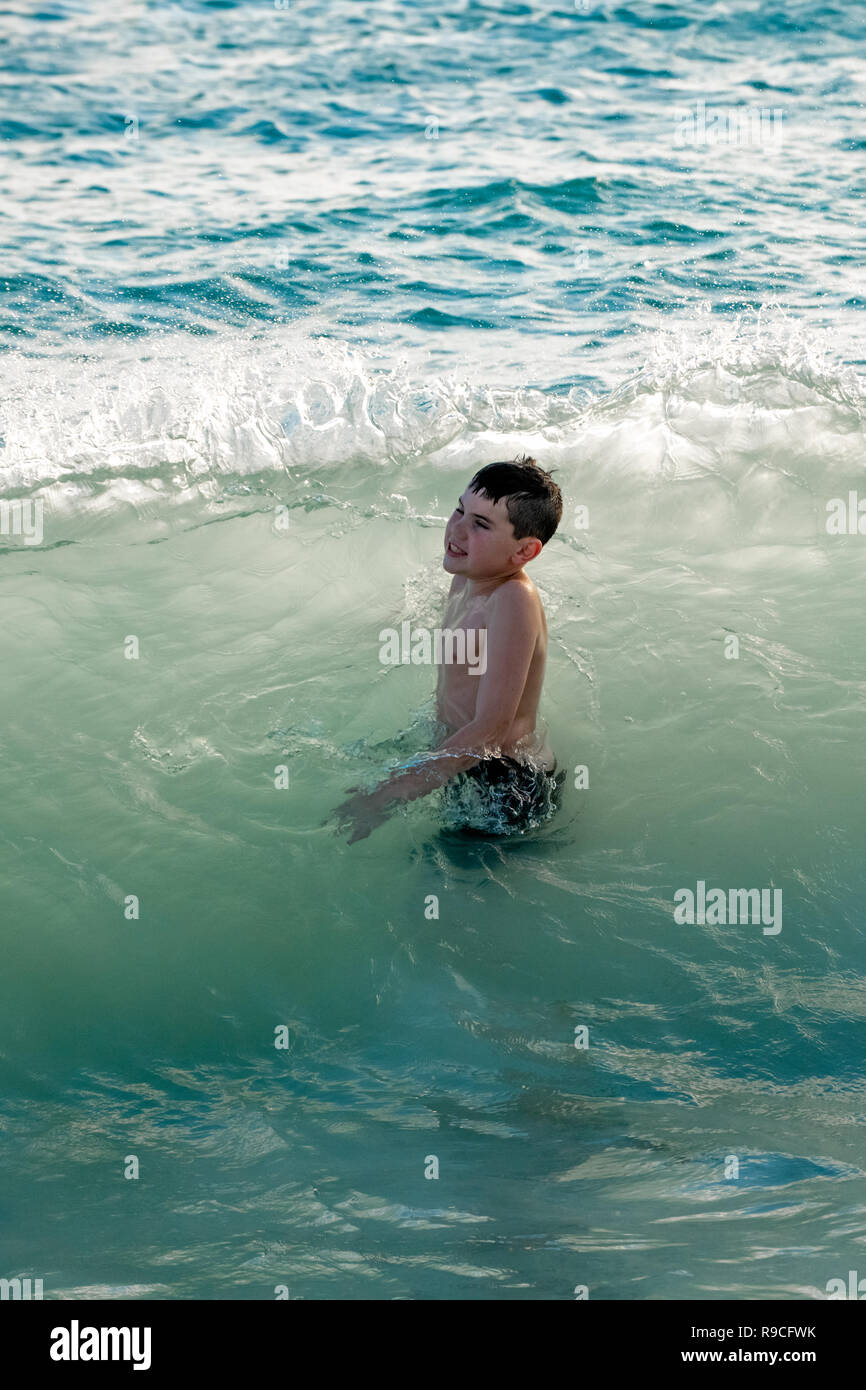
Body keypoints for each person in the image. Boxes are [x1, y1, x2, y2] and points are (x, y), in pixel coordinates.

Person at [333, 454, 564, 843]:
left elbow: (490, 730)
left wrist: (390, 794)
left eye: (481, 524)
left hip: (507, 783)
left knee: (447, 879)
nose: (456, 529)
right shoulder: (466, 577)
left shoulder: (513, 599)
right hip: (461, 755)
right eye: (460, 510)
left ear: (524, 552)